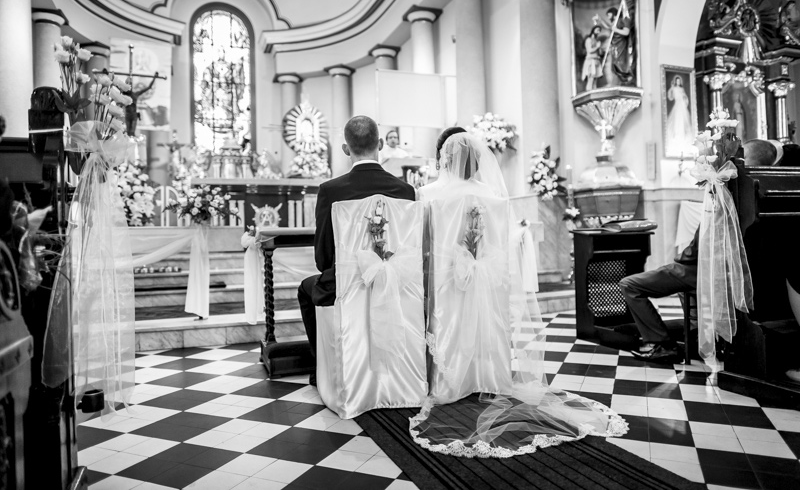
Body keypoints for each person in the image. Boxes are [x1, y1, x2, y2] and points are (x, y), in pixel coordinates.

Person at [410, 129, 626, 457]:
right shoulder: (494, 196)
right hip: (488, 278)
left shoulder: (429, 195)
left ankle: (449, 384)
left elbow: (422, 244)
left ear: (445, 159)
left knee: (451, 322)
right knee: (486, 323)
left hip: (446, 279)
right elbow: (503, 244)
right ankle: (489, 377)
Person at [622, 141, 779, 362]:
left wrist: (681, 258)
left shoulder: (729, 190)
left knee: (629, 285)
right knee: (682, 284)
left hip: (703, 269)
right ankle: (695, 335)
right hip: (747, 272)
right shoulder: (768, 188)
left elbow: (701, 247)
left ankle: (661, 343)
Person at [297, 115, 415, 386]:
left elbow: (323, 257)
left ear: (345, 149)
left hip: (345, 285)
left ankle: (322, 370)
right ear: (381, 144)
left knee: (306, 288)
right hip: (396, 284)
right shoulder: (406, 191)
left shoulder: (330, 190)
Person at [599, 7, 634, 86]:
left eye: (609, 15)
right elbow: (608, 27)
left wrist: (616, 30)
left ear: (613, 14)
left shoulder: (621, 20)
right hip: (615, 46)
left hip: (620, 45)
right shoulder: (614, 23)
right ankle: (618, 82)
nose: (608, 17)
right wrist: (600, 20)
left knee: (620, 63)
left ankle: (626, 79)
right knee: (614, 65)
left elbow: (626, 32)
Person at [665, 75, 695, 156]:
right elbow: (670, 97)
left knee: (683, 121)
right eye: (677, 81)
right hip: (677, 105)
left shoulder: (682, 89)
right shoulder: (674, 88)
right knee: (676, 121)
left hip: (682, 105)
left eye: (679, 81)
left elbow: (685, 97)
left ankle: (682, 136)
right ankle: (677, 136)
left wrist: (685, 100)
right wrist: (671, 88)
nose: (678, 82)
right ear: (675, 81)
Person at [581, 25, 604, 91]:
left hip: (596, 61)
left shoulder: (596, 41)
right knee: (591, 79)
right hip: (591, 61)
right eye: (597, 30)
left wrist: (600, 48)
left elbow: (599, 53)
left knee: (595, 80)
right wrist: (597, 46)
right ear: (593, 30)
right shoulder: (589, 40)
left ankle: (594, 93)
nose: (598, 32)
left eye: (599, 31)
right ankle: (589, 92)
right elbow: (590, 50)